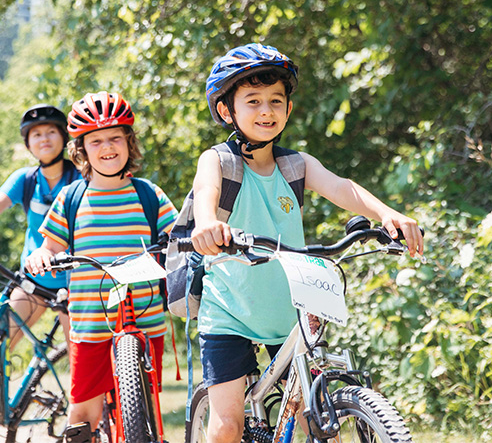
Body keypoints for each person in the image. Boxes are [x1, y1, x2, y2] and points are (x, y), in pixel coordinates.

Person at [189, 43, 424, 443]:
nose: (266, 110)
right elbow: (206, 193)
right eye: (253, 101)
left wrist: (388, 214)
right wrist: (209, 225)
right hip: (229, 310)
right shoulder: (219, 161)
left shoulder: (296, 165)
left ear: (288, 110)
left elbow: (343, 187)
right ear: (227, 111)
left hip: (291, 309)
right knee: (228, 425)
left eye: (276, 101)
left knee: (316, 419)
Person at [25, 91, 178, 440]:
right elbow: (49, 245)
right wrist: (41, 256)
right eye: (96, 141)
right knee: (83, 413)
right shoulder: (72, 197)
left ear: (129, 143)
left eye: (115, 138)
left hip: (145, 318)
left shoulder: (148, 195)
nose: (107, 147)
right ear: (82, 150)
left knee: (146, 411)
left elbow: (178, 235)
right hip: (92, 322)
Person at [0, 104, 79, 348]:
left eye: (51, 132)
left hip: (75, 285)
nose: (44, 138)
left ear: (64, 138)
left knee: (80, 360)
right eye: (36, 134)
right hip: (33, 282)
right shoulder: (25, 179)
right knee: (2, 342)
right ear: (28, 144)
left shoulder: (81, 177)